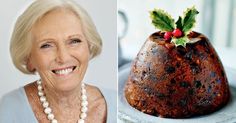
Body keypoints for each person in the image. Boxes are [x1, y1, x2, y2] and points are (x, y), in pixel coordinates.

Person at [0, 0, 116, 123]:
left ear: (89, 46)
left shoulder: (116, 103)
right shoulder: (8, 110)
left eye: (74, 41)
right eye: (46, 45)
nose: (63, 57)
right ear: (29, 58)